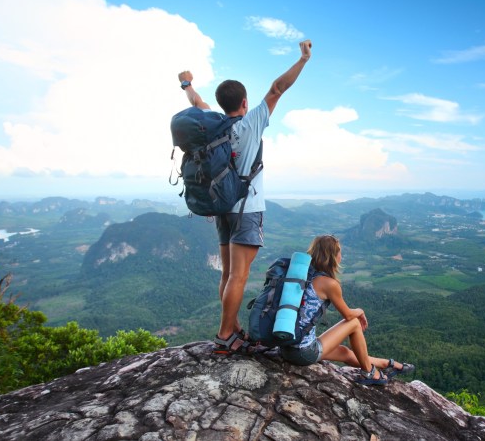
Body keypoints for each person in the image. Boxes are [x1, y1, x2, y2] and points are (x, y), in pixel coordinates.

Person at [178, 40, 313, 355]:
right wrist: (303, 59)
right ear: (244, 101)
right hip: (246, 209)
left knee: (228, 274)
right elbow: (278, 88)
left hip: (222, 207)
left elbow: (197, 102)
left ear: (221, 103)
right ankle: (225, 335)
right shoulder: (251, 123)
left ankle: (233, 326)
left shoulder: (214, 125)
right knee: (239, 276)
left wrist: (186, 84)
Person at [280, 235, 415, 385]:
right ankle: (369, 373)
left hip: (286, 347)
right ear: (332, 256)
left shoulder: (300, 275)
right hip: (303, 352)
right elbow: (349, 315)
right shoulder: (328, 283)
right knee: (354, 323)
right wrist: (360, 310)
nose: (341, 256)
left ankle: (386, 364)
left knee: (345, 352)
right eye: (339, 252)